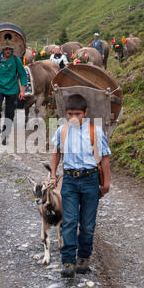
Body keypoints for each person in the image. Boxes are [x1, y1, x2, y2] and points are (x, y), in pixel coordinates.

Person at [50, 94, 111, 278]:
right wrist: (53, 175)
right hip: (69, 181)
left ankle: (84, 256)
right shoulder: (62, 130)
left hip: (90, 180)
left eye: (78, 113)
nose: (74, 117)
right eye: (70, 113)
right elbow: (56, 153)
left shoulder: (95, 132)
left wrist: (106, 183)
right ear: (66, 114)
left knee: (87, 224)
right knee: (69, 221)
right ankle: (68, 260)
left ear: (86, 112)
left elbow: (105, 157)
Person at [0, 42, 27, 145]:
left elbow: (22, 75)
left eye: (10, 49)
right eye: (6, 49)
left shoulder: (16, 60)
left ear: (12, 50)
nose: (8, 51)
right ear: (3, 50)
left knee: (10, 112)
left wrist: (22, 90)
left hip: (12, 89)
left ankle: (5, 134)